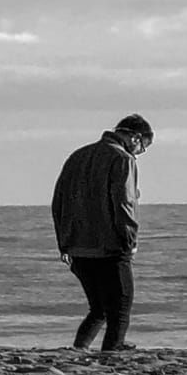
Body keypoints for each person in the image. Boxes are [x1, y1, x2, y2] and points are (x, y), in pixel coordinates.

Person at [51, 113, 153, 357]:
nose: (140, 153)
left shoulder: (78, 156)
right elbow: (124, 202)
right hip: (110, 245)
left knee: (98, 308)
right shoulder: (123, 159)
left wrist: (63, 243)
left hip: (77, 245)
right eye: (144, 147)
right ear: (135, 138)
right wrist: (129, 240)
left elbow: (58, 202)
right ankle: (112, 353)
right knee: (120, 307)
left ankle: (79, 351)